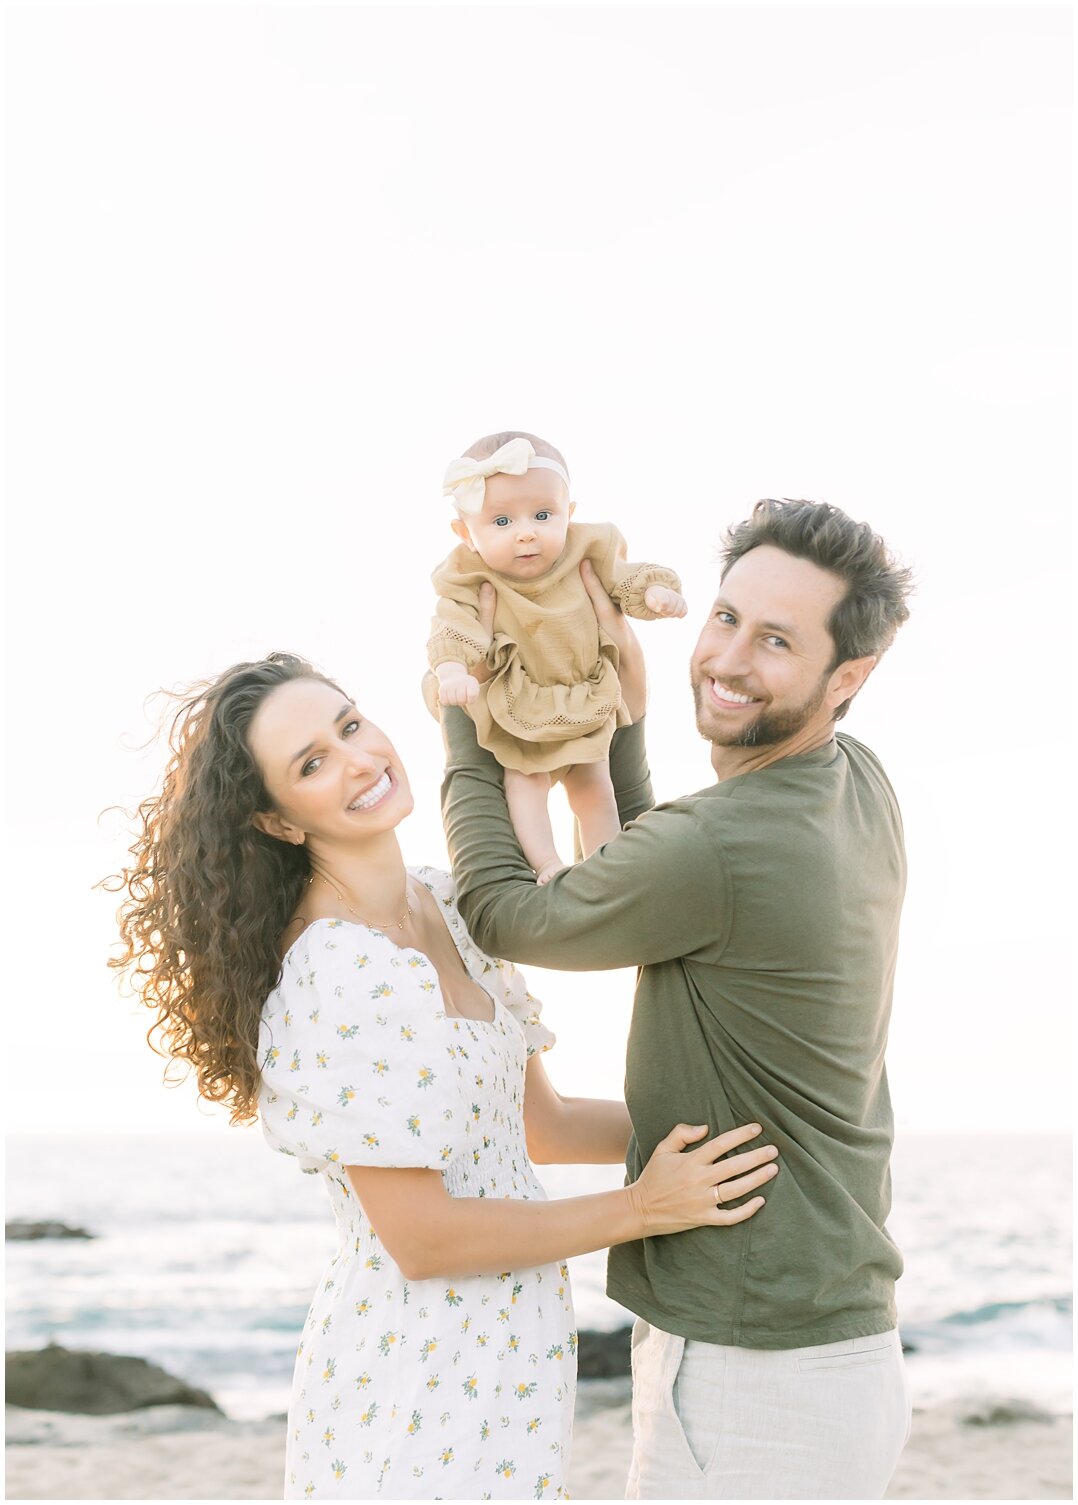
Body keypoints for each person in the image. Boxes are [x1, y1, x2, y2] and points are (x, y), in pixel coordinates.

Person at [107, 648, 779, 1502]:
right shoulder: (338, 970)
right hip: (412, 1368)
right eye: (312, 763)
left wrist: (726, 1127)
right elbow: (420, 1236)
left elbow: (545, 1127)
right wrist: (646, 1207)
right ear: (278, 821)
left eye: (350, 725)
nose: (357, 758)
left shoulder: (449, 907)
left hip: (511, 1356)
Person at [441, 497, 916, 1501]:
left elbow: (505, 913)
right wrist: (620, 719)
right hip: (822, 1349)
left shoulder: (726, 842)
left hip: (756, 1374)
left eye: (775, 639)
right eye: (726, 616)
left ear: (847, 677)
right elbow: (668, 868)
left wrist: (467, 718)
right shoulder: (853, 781)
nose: (728, 656)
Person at [427, 429, 686, 882]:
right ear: (466, 533)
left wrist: (655, 593)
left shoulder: (588, 547)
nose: (526, 533)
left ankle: (607, 868)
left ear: (568, 514)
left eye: (542, 515)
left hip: (582, 696)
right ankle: (547, 865)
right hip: (518, 701)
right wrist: (450, 668)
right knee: (524, 788)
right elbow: (454, 623)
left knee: (595, 790)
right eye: (502, 522)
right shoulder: (469, 574)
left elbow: (622, 579)